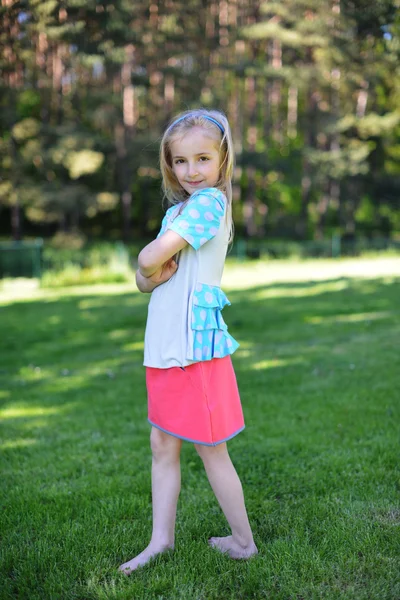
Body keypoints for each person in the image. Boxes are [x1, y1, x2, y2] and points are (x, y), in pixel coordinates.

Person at [119, 109, 258, 575]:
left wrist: (146, 263)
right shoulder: (179, 211)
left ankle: (242, 542)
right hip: (164, 347)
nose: (192, 170)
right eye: (180, 161)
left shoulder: (208, 205)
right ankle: (162, 541)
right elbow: (146, 281)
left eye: (203, 158)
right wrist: (147, 269)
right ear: (169, 165)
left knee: (210, 448)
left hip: (193, 350)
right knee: (163, 443)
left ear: (223, 161)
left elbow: (147, 262)